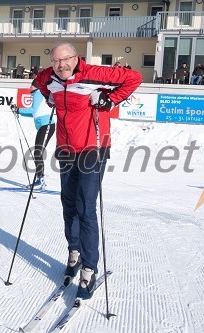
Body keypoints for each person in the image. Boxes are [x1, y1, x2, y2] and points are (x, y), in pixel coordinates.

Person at [34, 42, 142, 299]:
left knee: (85, 206)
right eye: (56, 61)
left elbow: (134, 78)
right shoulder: (48, 77)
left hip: (93, 148)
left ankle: (90, 268)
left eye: (66, 59)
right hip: (66, 148)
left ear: (76, 58)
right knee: (68, 204)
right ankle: (74, 253)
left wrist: (109, 99)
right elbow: (39, 84)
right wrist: (50, 97)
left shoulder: (95, 73)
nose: (62, 65)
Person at [13, 79, 56, 191]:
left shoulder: (37, 94)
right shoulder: (38, 94)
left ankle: (40, 180)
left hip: (46, 125)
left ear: (36, 86)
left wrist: (18, 109)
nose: (29, 88)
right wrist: (19, 111)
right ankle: (40, 179)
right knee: (38, 152)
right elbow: (36, 114)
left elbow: (33, 110)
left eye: (31, 86)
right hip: (45, 125)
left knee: (38, 152)